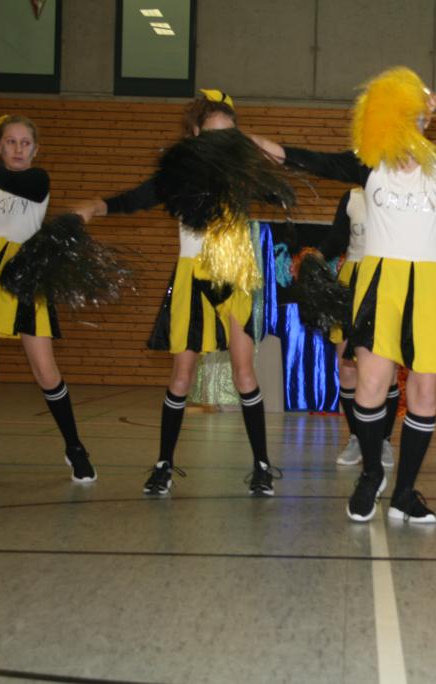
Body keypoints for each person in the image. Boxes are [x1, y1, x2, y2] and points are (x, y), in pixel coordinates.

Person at [277, 67, 436, 523]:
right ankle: (371, 474)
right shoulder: (369, 167)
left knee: (424, 392)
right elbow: (313, 160)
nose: (414, 123)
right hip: (380, 283)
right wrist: (262, 146)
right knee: (370, 385)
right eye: (402, 116)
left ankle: (405, 492)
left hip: (430, 285)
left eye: (419, 117)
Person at [74, 90, 280, 496]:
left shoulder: (241, 171)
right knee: (181, 375)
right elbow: (136, 198)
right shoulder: (179, 175)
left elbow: (277, 161)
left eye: (228, 134)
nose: (220, 143)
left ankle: (261, 465)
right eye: (213, 134)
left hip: (234, 274)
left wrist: (243, 142)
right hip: (191, 274)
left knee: (243, 372)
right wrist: (97, 205)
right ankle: (164, 464)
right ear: (195, 133)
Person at [0, 114, 95, 485]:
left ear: (36, 150)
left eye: (25, 143)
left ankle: (75, 448)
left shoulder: (37, 180)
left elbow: (4, 179)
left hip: (26, 278)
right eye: (10, 142)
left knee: (45, 370)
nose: (18, 149)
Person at [318, 188, 397, 469]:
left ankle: (383, 440)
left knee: (386, 372)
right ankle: (356, 437)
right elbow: (337, 239)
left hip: (386, 281)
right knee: (347, 368)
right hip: (350, 283)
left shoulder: (398, 192)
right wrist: (315, 256)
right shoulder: (351, 197)